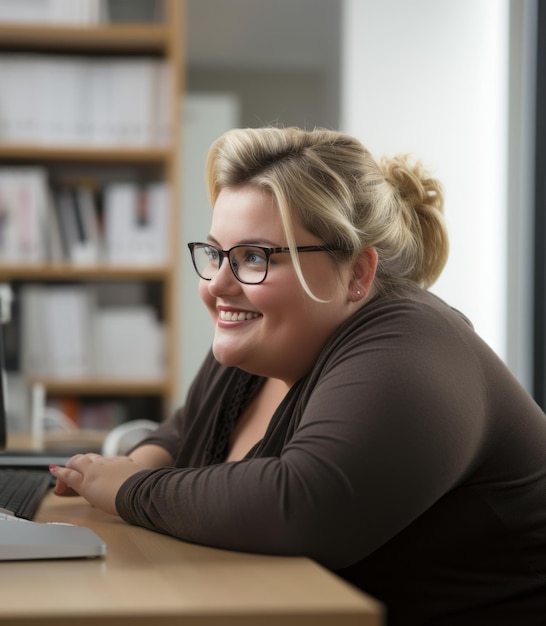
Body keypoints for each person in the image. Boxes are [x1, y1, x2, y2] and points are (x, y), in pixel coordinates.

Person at [51, 126, 546, 625]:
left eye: (253, 257)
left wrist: (129, 488)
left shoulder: (414, 345)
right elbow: (185, 428)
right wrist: (133, 462)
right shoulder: (262, 341)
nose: (217, 284)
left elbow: (300, 507)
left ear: (357, 274)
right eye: (216, 253)